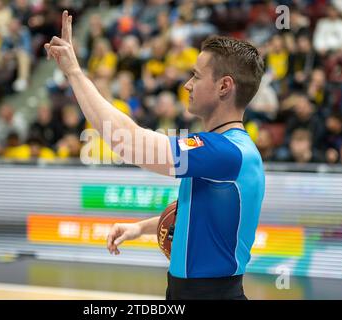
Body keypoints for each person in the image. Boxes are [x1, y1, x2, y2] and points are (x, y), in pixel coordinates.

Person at [45, 11, 265, 300]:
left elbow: (129, 142)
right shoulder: (225, 149)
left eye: (196, 76)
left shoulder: (227, 152)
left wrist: (74, 73)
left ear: (224, 86)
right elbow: (197, 212)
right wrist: (141, 227)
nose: (187, 85)